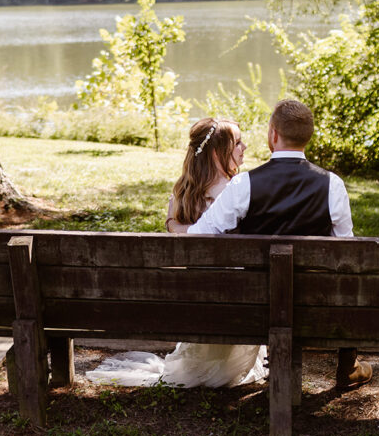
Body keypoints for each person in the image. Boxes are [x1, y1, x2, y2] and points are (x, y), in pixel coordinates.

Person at [188, 99, 372, 388]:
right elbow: (345, 252)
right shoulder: (332, 184)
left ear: (273, 134)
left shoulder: (243, 184)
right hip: (313, 306)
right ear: (308, 137)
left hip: (256, 305)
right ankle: (348, 364)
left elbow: (197, 237)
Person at [86, 117, 269, 388]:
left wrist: (172, 225)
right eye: (238, 142)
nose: (244, 147)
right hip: (236, 303)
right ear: (218, 152)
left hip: (192, 302)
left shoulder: (181, 195)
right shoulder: (237, 191)